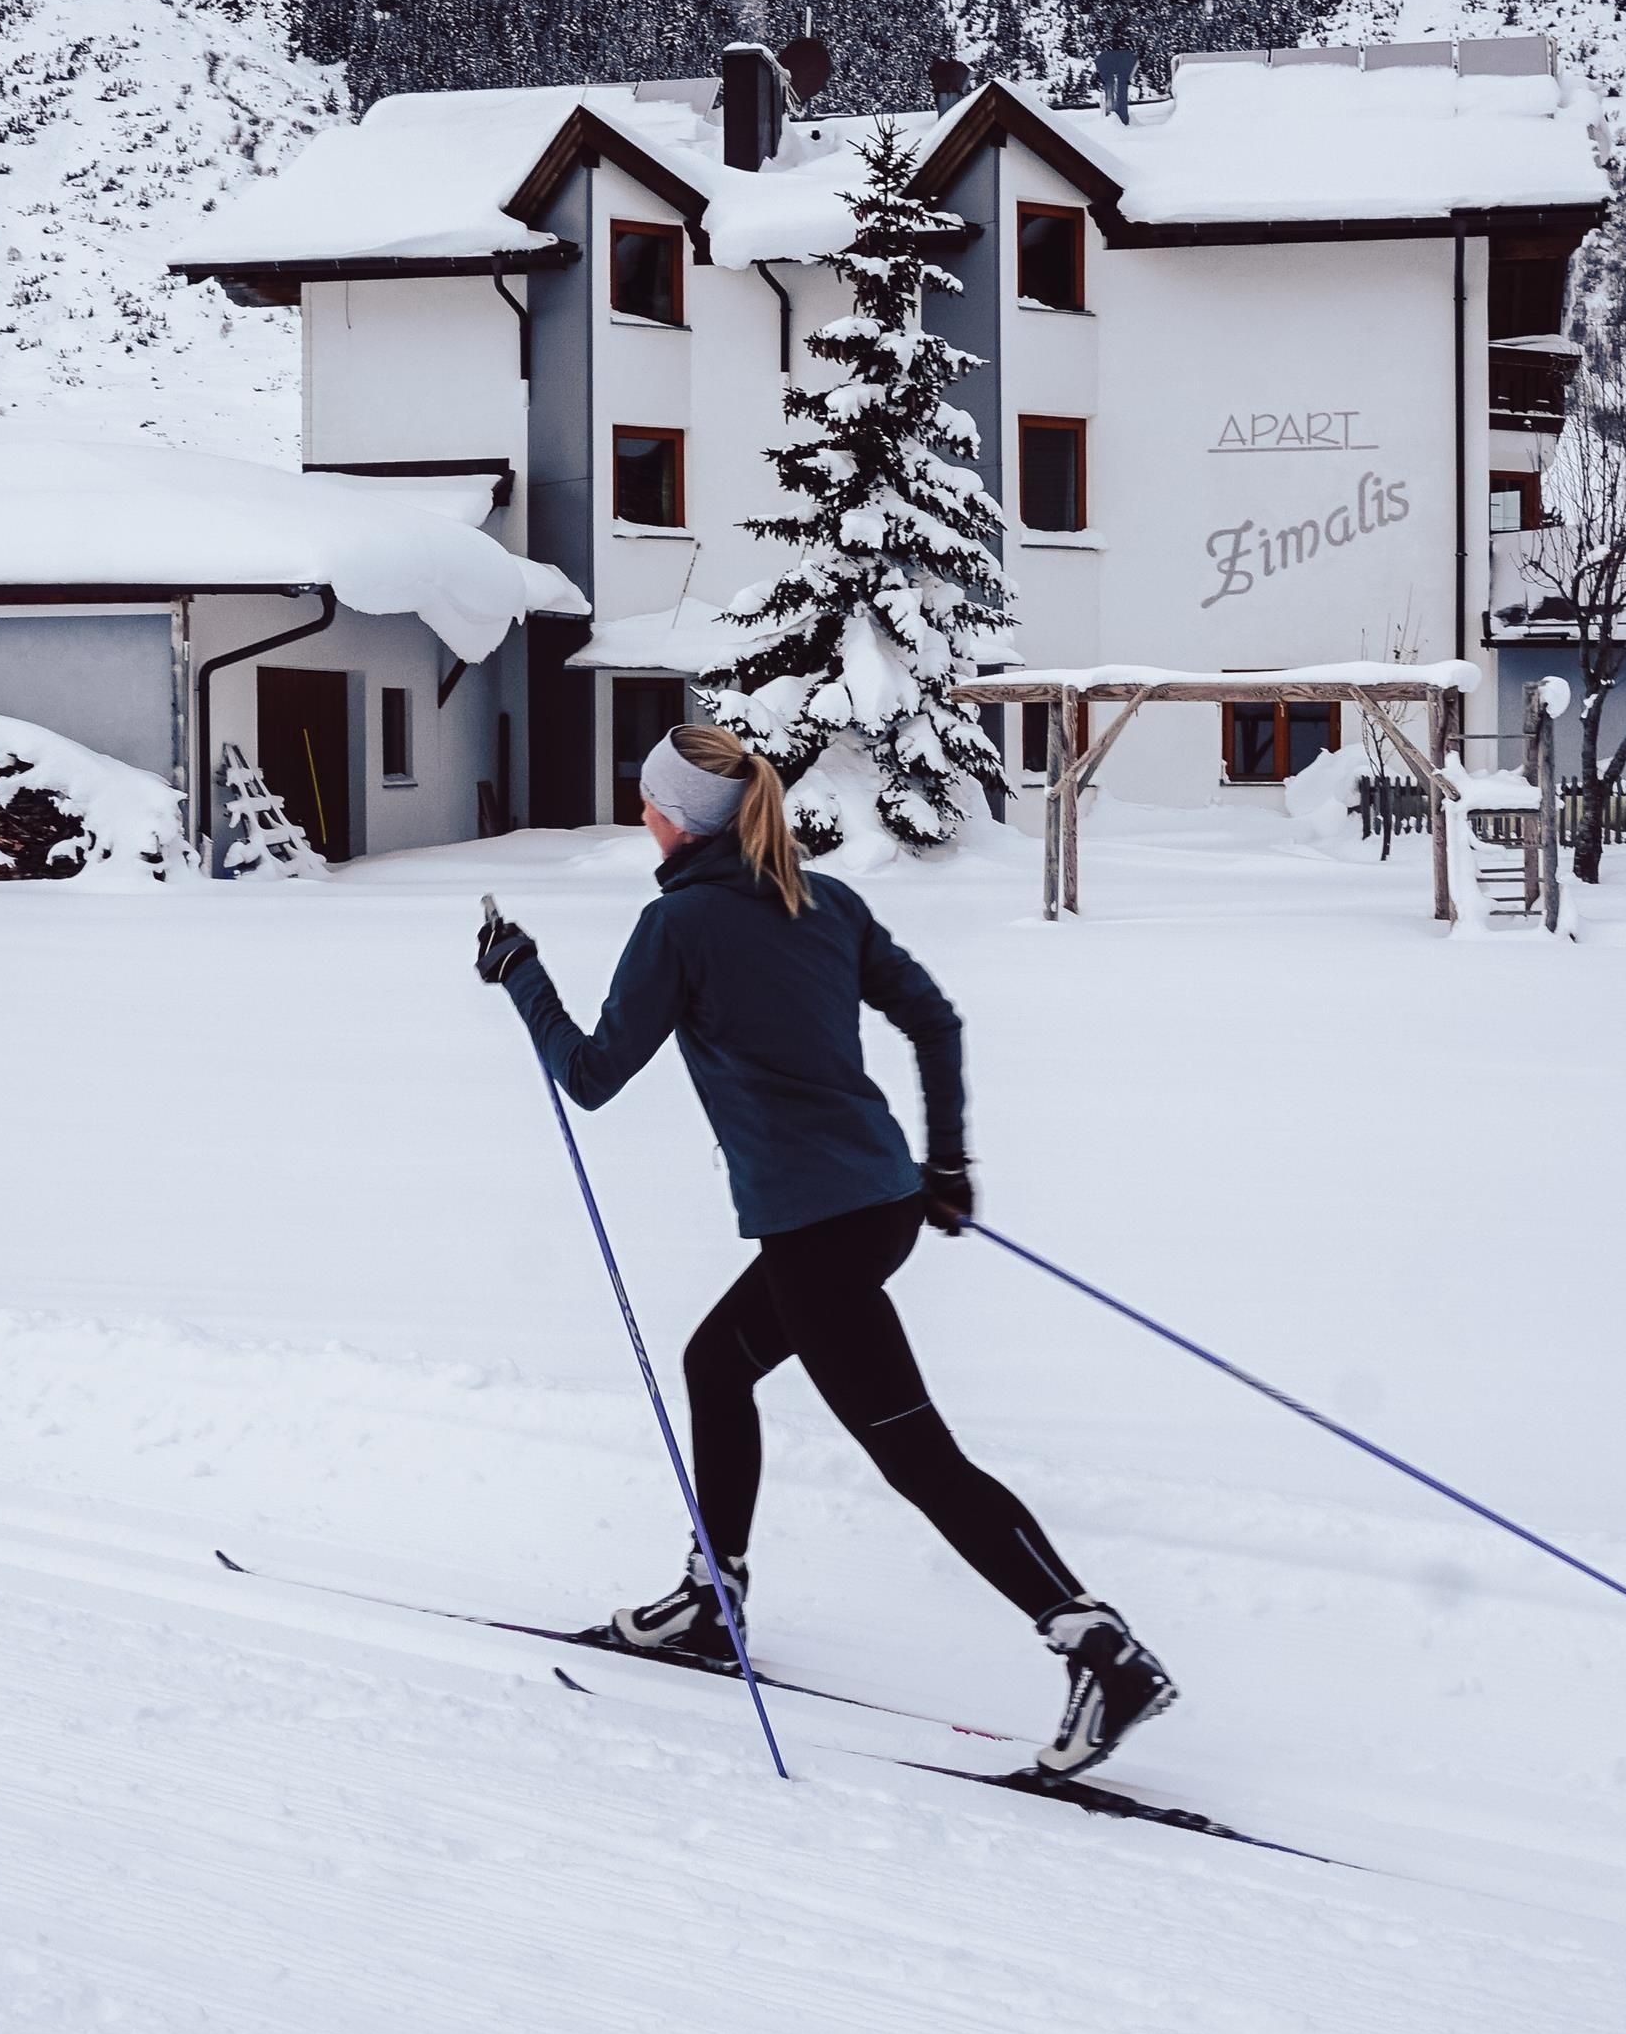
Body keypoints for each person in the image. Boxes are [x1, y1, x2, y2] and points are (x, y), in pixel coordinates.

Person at [474, 723, 1174, 1778]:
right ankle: (716, 1594)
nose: (642, 808)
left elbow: (589, 1073)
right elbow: (932, 1019)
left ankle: (1098, 1646)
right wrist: (943, 1164)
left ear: (668, 817)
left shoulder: (682, 924)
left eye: (648, 797)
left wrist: (519, 973)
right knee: (717, 1363)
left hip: (815, 1233)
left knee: (917, 1455)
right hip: (880, 1203)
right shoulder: (824, 902)